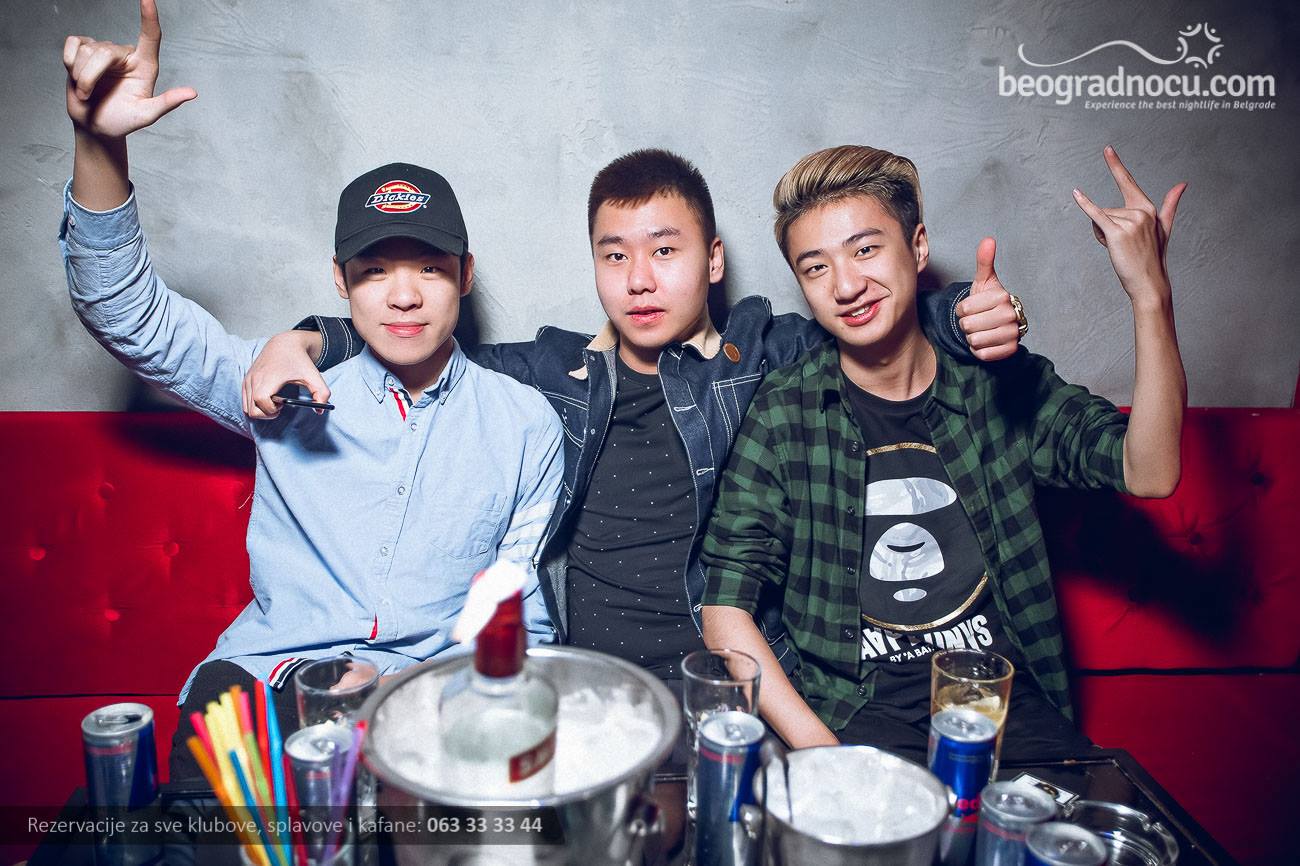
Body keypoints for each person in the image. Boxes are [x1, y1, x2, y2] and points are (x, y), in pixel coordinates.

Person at [244, 151, 1027, 708]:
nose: (640, 280)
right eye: (615, 256)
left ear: (713, 261)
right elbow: (420, 335)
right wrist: (308, 338)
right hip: (580, 688)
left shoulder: (763, 353)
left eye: (665, 250)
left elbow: (870, 318)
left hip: (736, 685)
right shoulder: (549, 373)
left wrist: (962, 314)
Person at [59, 0, 564, 781]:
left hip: (428, 701)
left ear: (465, 276)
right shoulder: (285, 385)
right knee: (194, 818)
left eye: (429, 268)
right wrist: (100, 144)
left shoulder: (524, 422)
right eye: (375, 271)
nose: (404, 295)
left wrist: (416, 691)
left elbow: (517, 604)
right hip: (265, 686)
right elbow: (126, 313)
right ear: (340, 280)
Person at [699, 144, 1186, 764]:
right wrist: (825, 758)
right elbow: (725, 610)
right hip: (855, 712)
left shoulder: (995, 384)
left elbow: (1149, 472)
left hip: (1001, 702)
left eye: (865, 249)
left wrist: (1149, 294)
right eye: (815, 267)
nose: (846, 285)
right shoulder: (784, 412)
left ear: (919, 246)